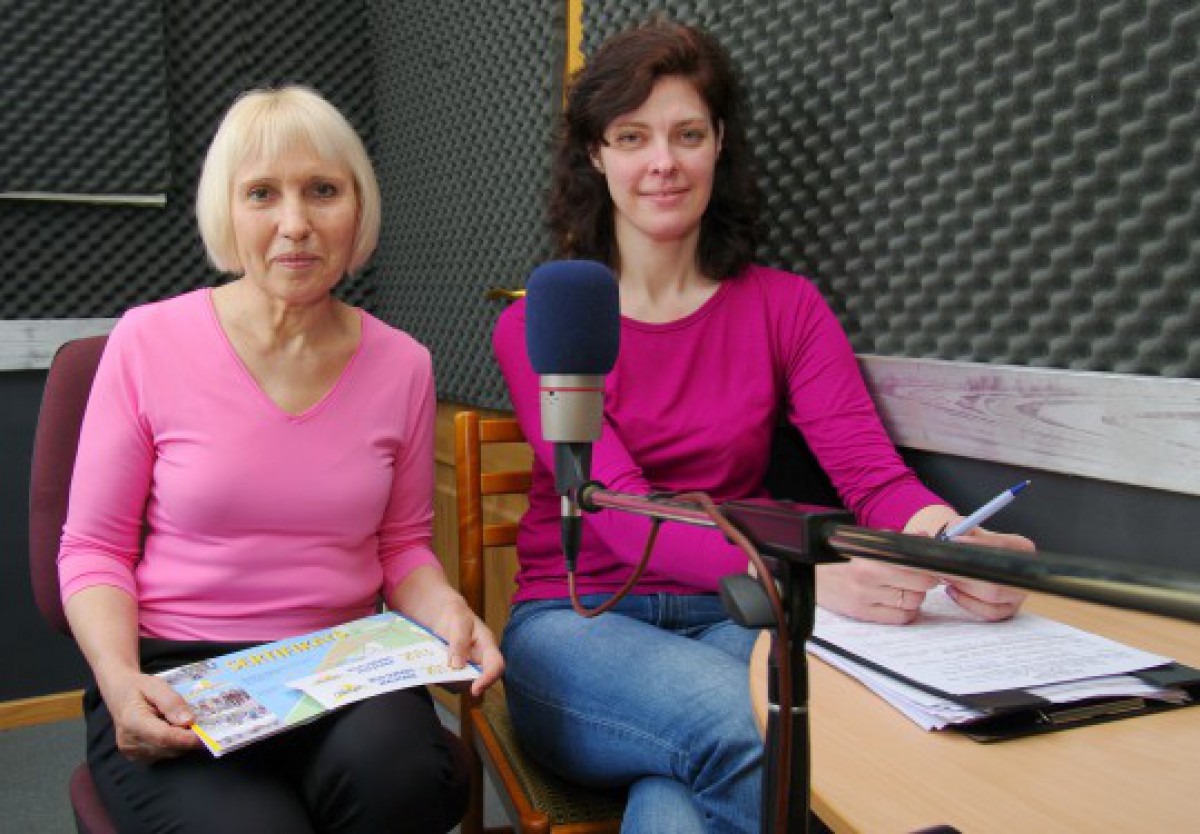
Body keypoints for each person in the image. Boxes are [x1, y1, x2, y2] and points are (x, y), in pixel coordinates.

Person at [492, 20, 1033, 834]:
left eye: (687, 134)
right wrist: (800, 574)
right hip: (579, 624)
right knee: (751, 726)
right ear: (596, 155)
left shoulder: (786, 307)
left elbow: (872, 476)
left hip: (734, 617)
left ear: (720, 145)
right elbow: (619, 510)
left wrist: (951, 542)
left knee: (676, 809)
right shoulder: (547, 319)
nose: (663, 162)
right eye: (633, 137)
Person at [59, 85, 503, 834]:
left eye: (322, 191)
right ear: (227, 211)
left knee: (407, 780)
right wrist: (118, 676)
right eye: (262, 193)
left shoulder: (405, 365)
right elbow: (93, 549)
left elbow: (402, 547)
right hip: (181, 669)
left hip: (342, 664)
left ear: (357, 208)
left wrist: (448, 611)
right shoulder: (145, 342)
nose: (295, 223)